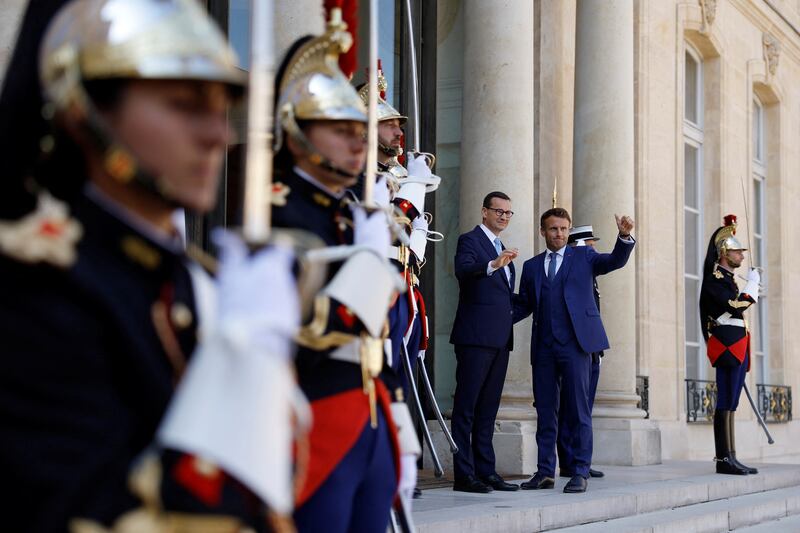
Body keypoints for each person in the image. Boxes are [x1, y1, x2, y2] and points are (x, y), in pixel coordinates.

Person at [0, 0, 300, 531]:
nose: (215, 135)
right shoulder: (34, 284)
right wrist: (244, 374)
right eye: (183, 104)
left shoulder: (190, 276)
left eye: (221, 108)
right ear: (82, 110)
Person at [270, 9, 418, 531]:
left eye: (363, 129)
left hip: (369, 406)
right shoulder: (278, 210)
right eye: (342, 129)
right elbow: (298, 323)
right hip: (316, 412)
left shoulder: (356, 212)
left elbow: (383, 331)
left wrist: (396, 405)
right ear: (297, 133)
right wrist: (368, 284)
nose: (361, 142)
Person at [514, 208, 634, 494]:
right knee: (545, 412)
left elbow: (614, 261)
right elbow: (523, 305)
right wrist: (491, 314)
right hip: (543, 347)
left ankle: (580, 471)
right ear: (542, 231)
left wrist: (625, 236)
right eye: (554, 229)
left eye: (564, 229)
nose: (559, 234)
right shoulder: (531, 267)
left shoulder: (583, 257)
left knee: (579, 410)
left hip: (575, 345)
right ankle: (545, 472)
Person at [449, 191, 520, 493]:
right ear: (484, 212)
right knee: (466, 408)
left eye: (508, 212)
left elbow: (502, 300)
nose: (503, 216)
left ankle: (486, 471)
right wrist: (492, 264)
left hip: (500, 340)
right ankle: (464, 475)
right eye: (498, 211)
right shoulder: (470, 241)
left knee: (488, 409)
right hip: (475, 339)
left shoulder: (501, 247)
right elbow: (463, 271)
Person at [700, 214, 761, 476]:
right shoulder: (715, 279)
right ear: (725, 252)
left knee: (732, 401)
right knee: (725, 400)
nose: (742, 257)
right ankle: (723, 459)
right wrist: (754, 287)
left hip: (735, 345)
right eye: (738, 252)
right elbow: (734, 306)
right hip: (726, 346)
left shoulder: (727, 279)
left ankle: (731, 456)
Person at [557, 225, 605, 479]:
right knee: (571, 408)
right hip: (573, 348)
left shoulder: (589, 274)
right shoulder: (573, 271)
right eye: (590, 244)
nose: (594, 248)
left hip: (591, 348)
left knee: (584, 407)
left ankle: (581, 460)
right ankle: (570, 461)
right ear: (577, 247)